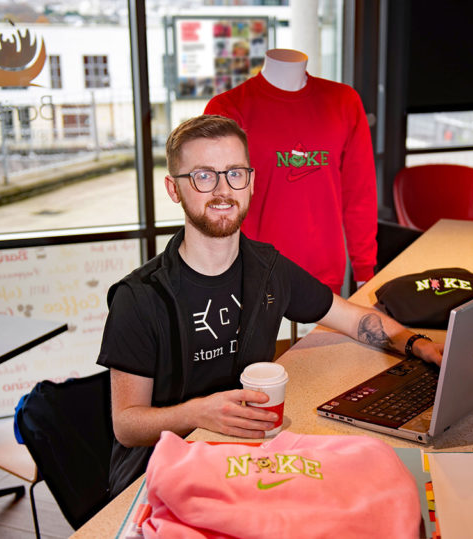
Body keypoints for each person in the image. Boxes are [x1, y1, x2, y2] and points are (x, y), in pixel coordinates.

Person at [96, 115, 442, 497]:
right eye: (203, 176)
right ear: (174, 189)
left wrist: (417, 344)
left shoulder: (268, 269)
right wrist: (198, 413)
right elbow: (126, 424)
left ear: (252, 182)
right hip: (159, 472)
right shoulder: (139, 297)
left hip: (245, 455)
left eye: (234, 174)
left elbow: (352, 317)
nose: (223, 190)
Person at [204, 49, 377, 293]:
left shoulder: (343, 102)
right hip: (256, 274)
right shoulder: (229, 108)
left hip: (325, 274)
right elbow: (216, 202)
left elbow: (360, 194)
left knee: (323, 331)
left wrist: (365, 272)